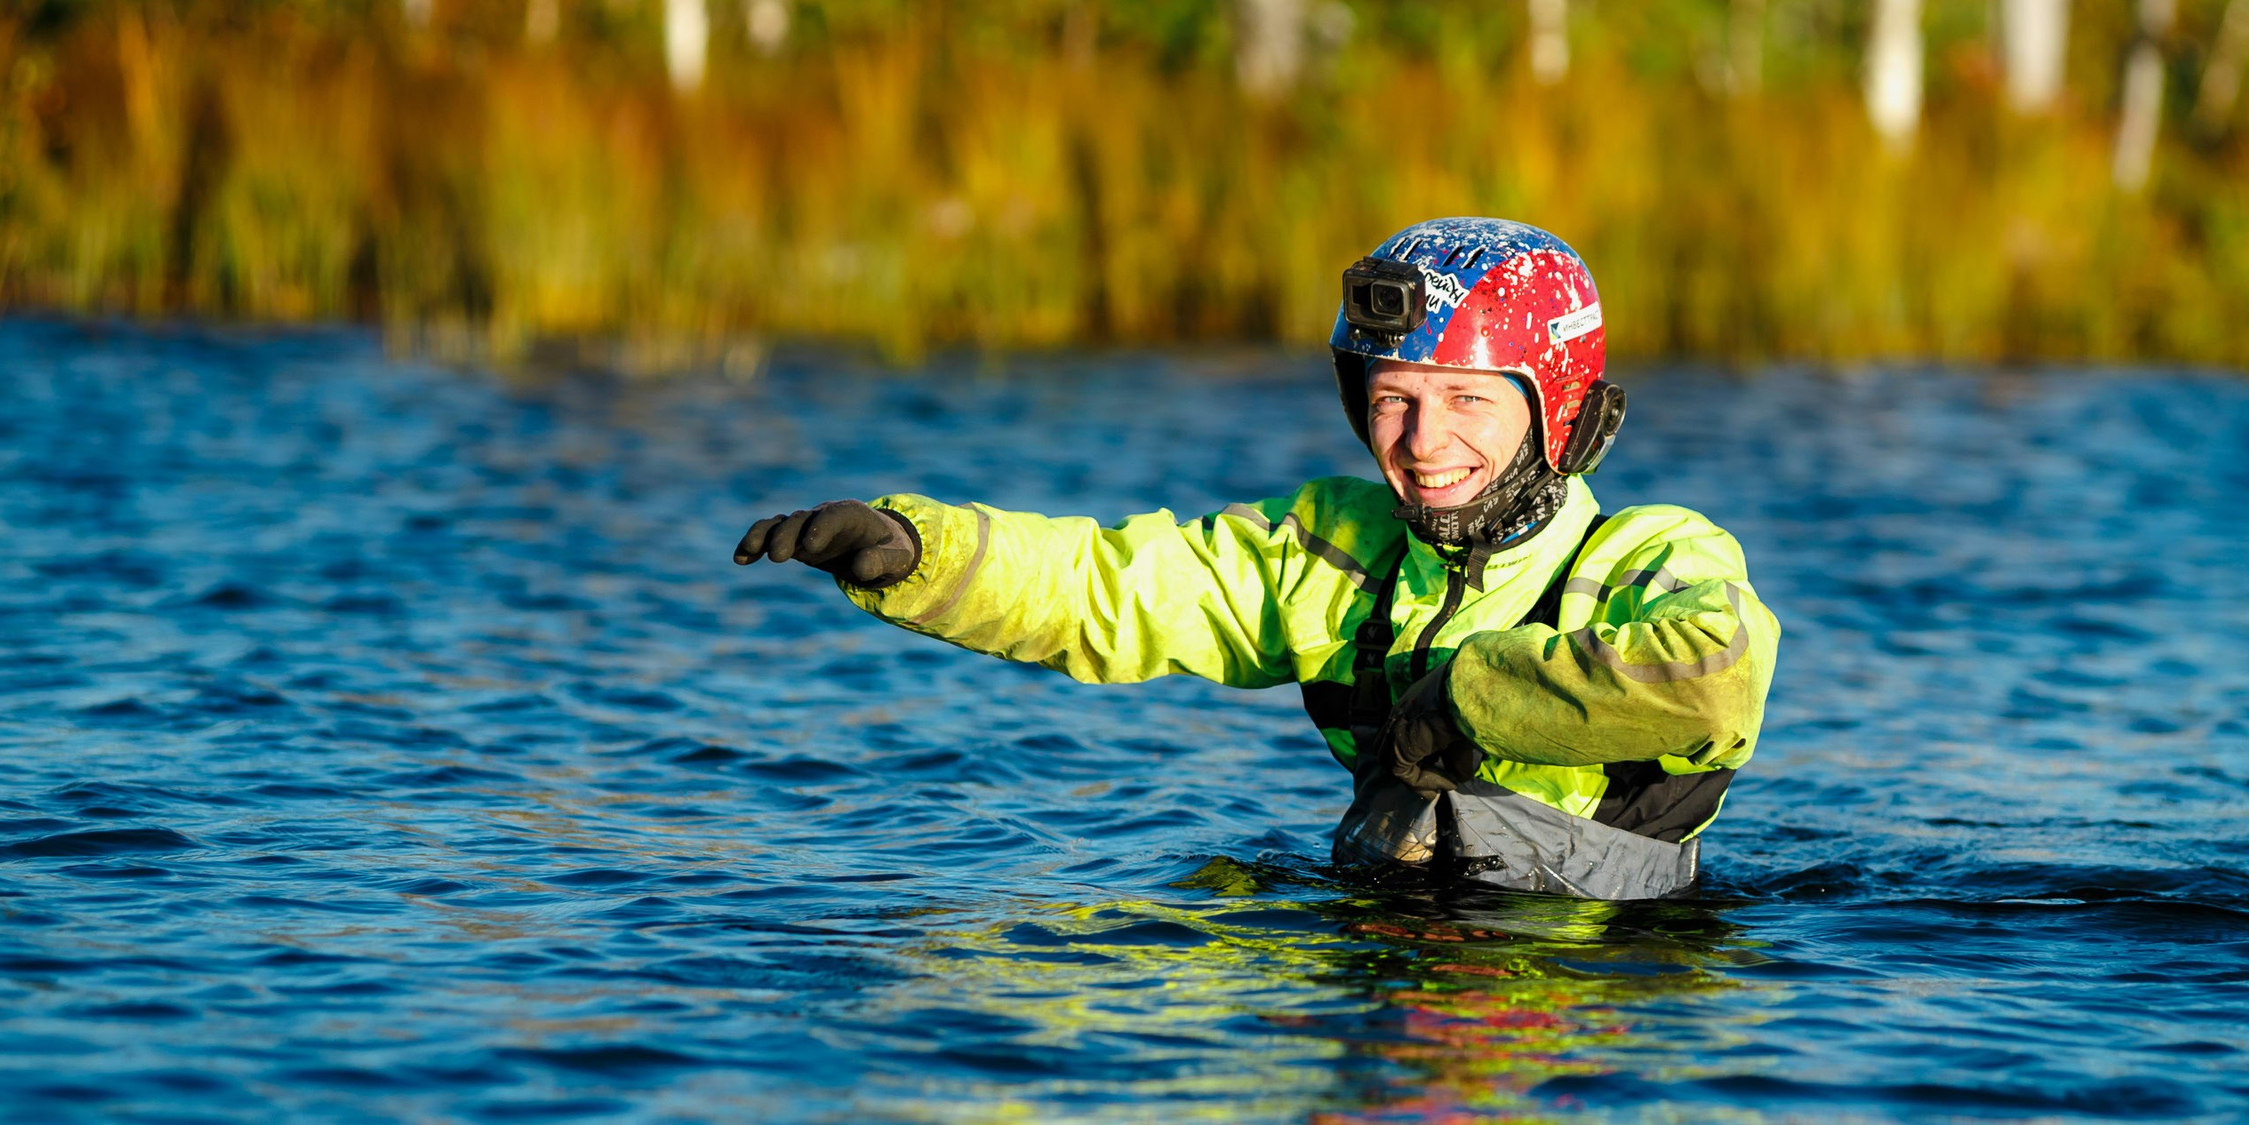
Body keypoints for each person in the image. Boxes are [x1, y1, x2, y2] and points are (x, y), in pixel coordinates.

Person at [732, 217, 1779, 900]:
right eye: (1391, 399)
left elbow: (1713, 678)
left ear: (1564, 415)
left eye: (1468, 399)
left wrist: (1469, 697)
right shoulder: (1333, 548)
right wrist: (919, 552)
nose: (1421, 441)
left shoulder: (1653, 554)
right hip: (1373, 967)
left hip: (1593, 1018)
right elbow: (1118, 588)